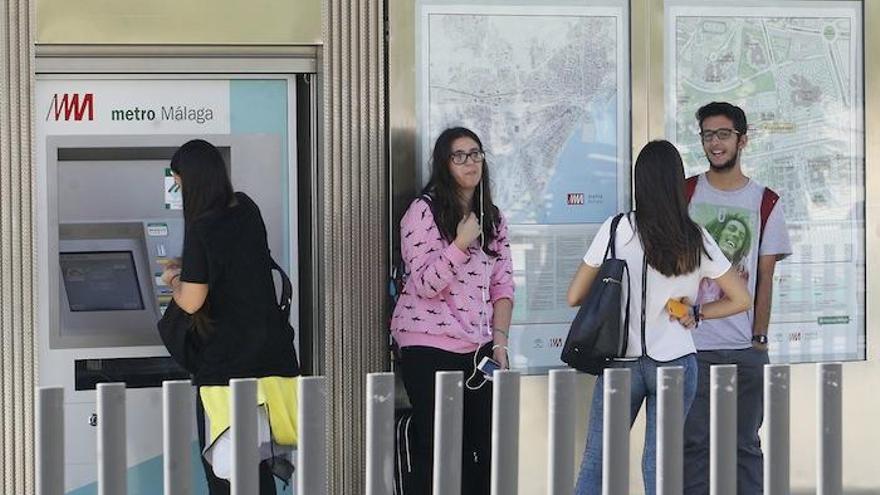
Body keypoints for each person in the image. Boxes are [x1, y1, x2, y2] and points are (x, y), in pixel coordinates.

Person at [567, 140, 752, 495]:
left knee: (598, 461)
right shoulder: (694, 235)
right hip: (677, 361)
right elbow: (741, 298)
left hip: (621, 359)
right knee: (659, 468)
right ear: (676, 183)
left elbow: (574, 296)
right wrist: (697, 312)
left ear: (640, 182)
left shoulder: (616, 229)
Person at [160, 139, 300, 495]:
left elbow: (191, 302)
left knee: (226, 473)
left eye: (178, 182)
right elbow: (235, 268)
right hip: (267, 359)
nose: (178, 188)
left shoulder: (201, 224)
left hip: (226, 368)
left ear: (191, 181)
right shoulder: (247, 208)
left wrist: (174, 279)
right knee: (257, 463)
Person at [391, 127, 515, 494]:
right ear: (444, 164)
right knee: (444, 452)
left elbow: (503, 286)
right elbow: (427, 283)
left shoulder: (492, 218)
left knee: (486, 451)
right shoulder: (422, 212)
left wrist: (501, 343)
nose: (470, 162)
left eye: (475, 154)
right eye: (459, 155)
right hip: (428, 346)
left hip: (478, 350)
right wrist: (460, 243)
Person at [683, 102, 792, 495]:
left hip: (745, 349)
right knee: (691, 449)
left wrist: (758, 339)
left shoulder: (765, 202)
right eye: (708, 135)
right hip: (692, 347)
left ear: (742, 140)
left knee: (745, 447)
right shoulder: (687, 193)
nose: (715, 143)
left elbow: (765, 279)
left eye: (723, 134)